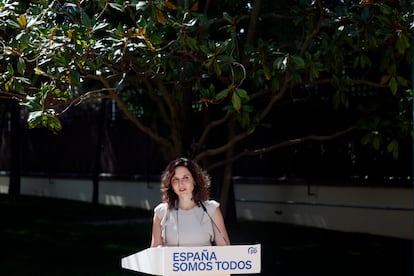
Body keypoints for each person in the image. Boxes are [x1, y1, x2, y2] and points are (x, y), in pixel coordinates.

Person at [150, 157, 230, 247]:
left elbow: (224, 248)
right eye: (175, 179)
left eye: (186, 178)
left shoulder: (211, 209)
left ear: (194, 180)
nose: (181, 184)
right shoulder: (161, 212)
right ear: (171, 185)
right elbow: (154, 251)